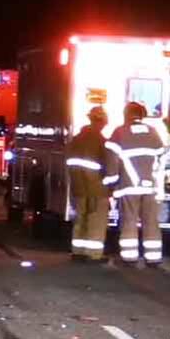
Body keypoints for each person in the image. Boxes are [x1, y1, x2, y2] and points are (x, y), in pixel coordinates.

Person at [106, 102, 167, 267]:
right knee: (151, 221)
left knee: (129, 221)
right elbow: (163, 158)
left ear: (126, 114)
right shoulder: (153, 132)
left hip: (129, 187)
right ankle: (153, 258)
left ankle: (129, 257)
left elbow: (111, 161)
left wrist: (110, 184)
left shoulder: (120, 132)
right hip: (151, 187)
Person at [66, 106, 113, 262]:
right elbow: (107, 166)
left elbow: (70, 163)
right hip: (96, 189)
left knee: (81, 219)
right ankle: (94, 254)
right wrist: (110, 186)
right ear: (102, 122)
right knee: (96, 221)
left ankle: (78, 251)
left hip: (78, 187)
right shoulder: (101, 141)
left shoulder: (77, 139)